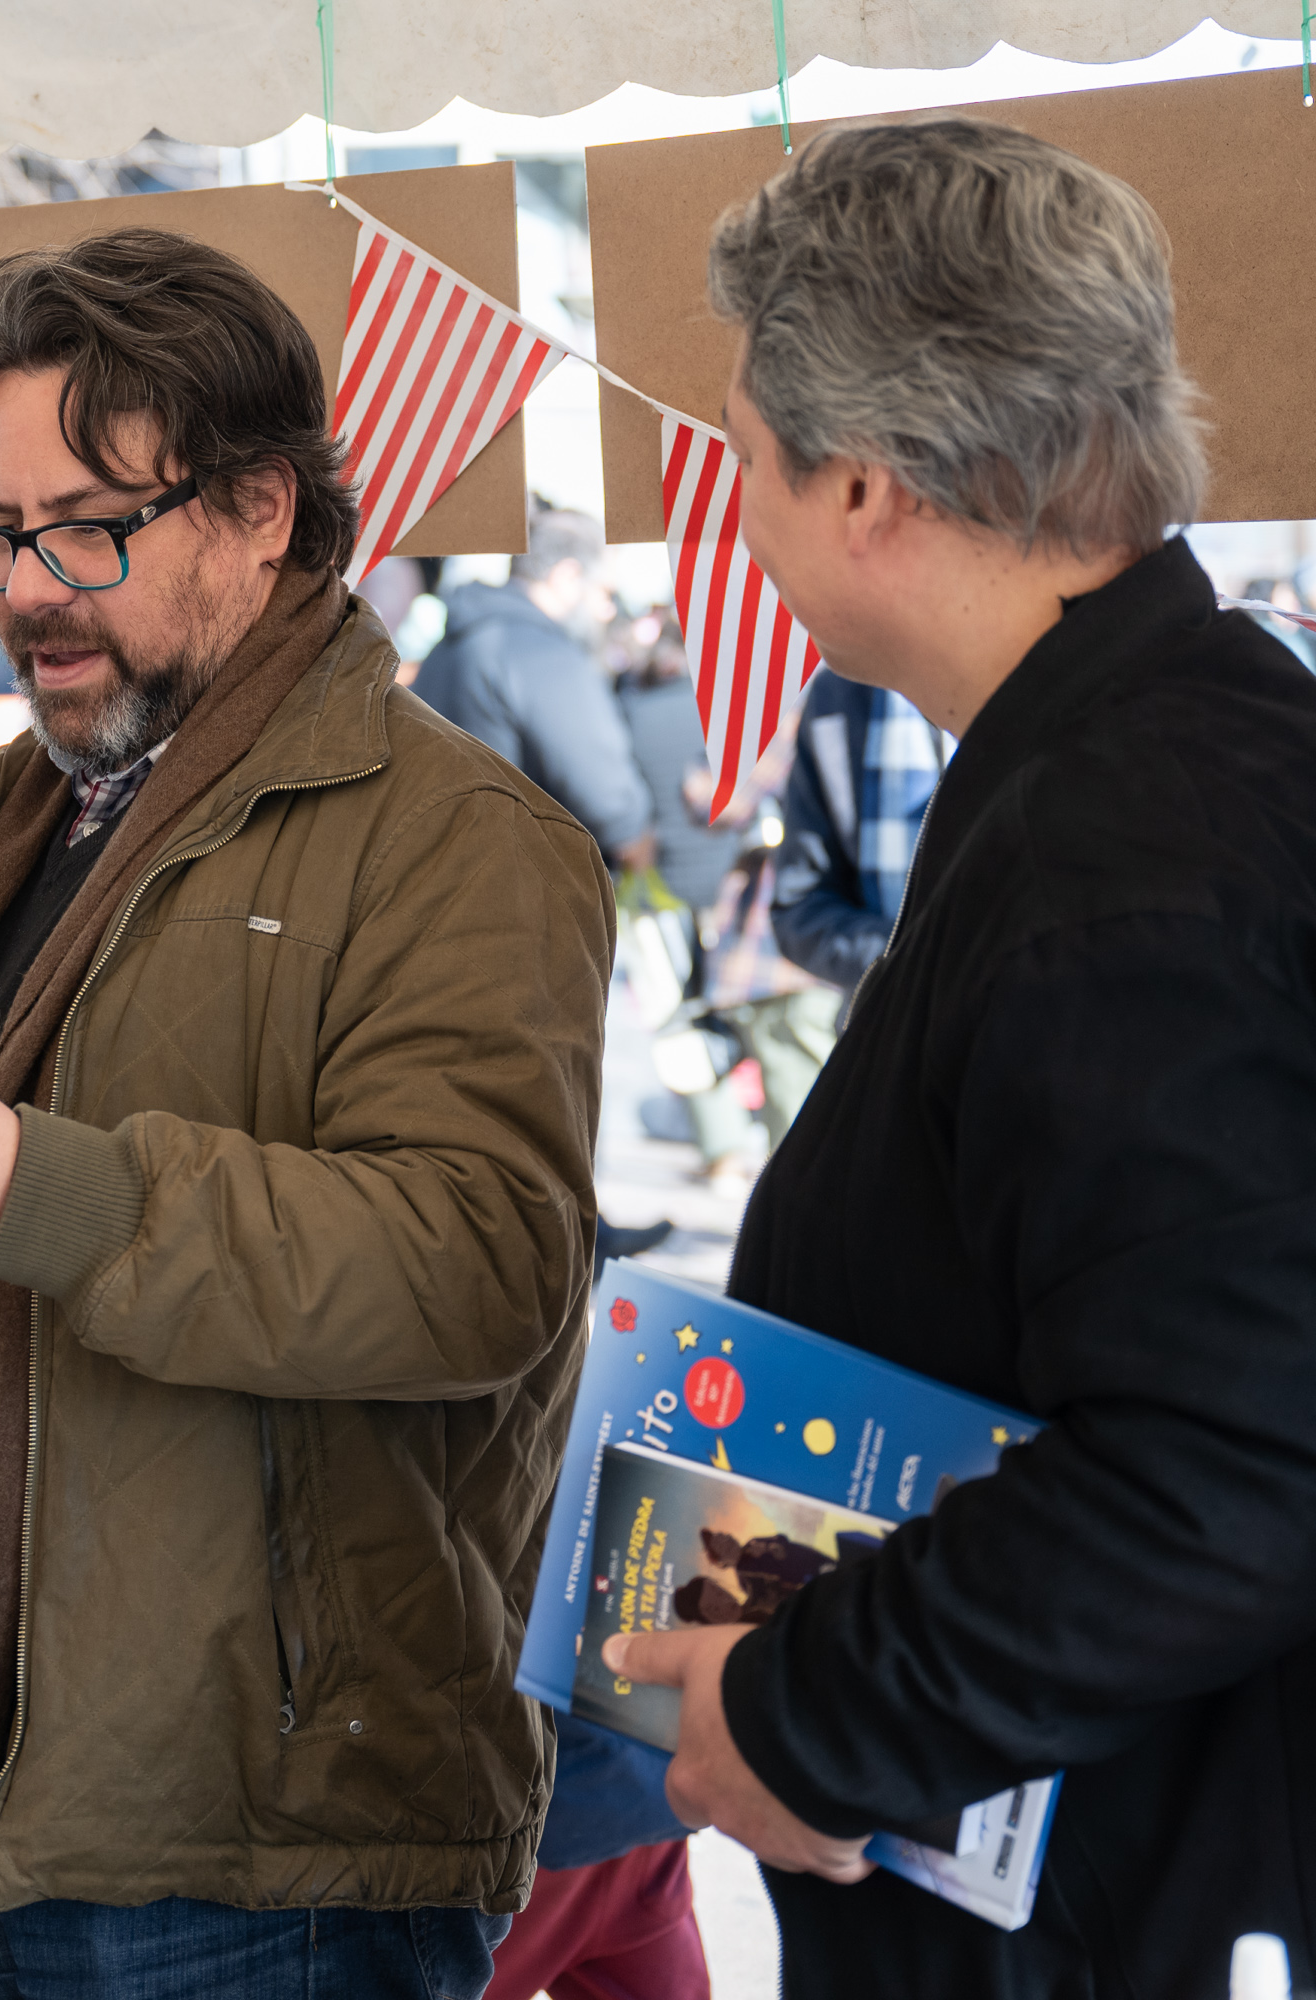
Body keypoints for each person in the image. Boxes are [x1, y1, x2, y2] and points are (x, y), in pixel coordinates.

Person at [0, 227, 615, 1997]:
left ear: (261, 510)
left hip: (264, 1821)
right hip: (22, 1769)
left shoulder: (456, 838)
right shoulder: (24, 804)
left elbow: (483, 1262)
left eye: (85, 530)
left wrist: (40, 1192)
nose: (25, 587)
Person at [601, 118, 1316, 1996]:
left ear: (865, 485)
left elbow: (1230, 1460)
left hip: (1120, 1898)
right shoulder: (1142, 757)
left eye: (743, 449)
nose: (732, 505)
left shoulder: (1134, 852)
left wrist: (819, 1712)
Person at [412, 507, 659, 874]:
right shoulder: (541, 653)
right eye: (605, 593)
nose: (608, 611)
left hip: (450, 877)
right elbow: (612, 805)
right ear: (568, 577)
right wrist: (638, 840)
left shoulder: (453, 642)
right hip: (515, 890)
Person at [768, 668, 950, 996]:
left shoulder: (1005, 659)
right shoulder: (834, 696)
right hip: (900, 1004)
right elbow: (799, 907)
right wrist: (908, 956)